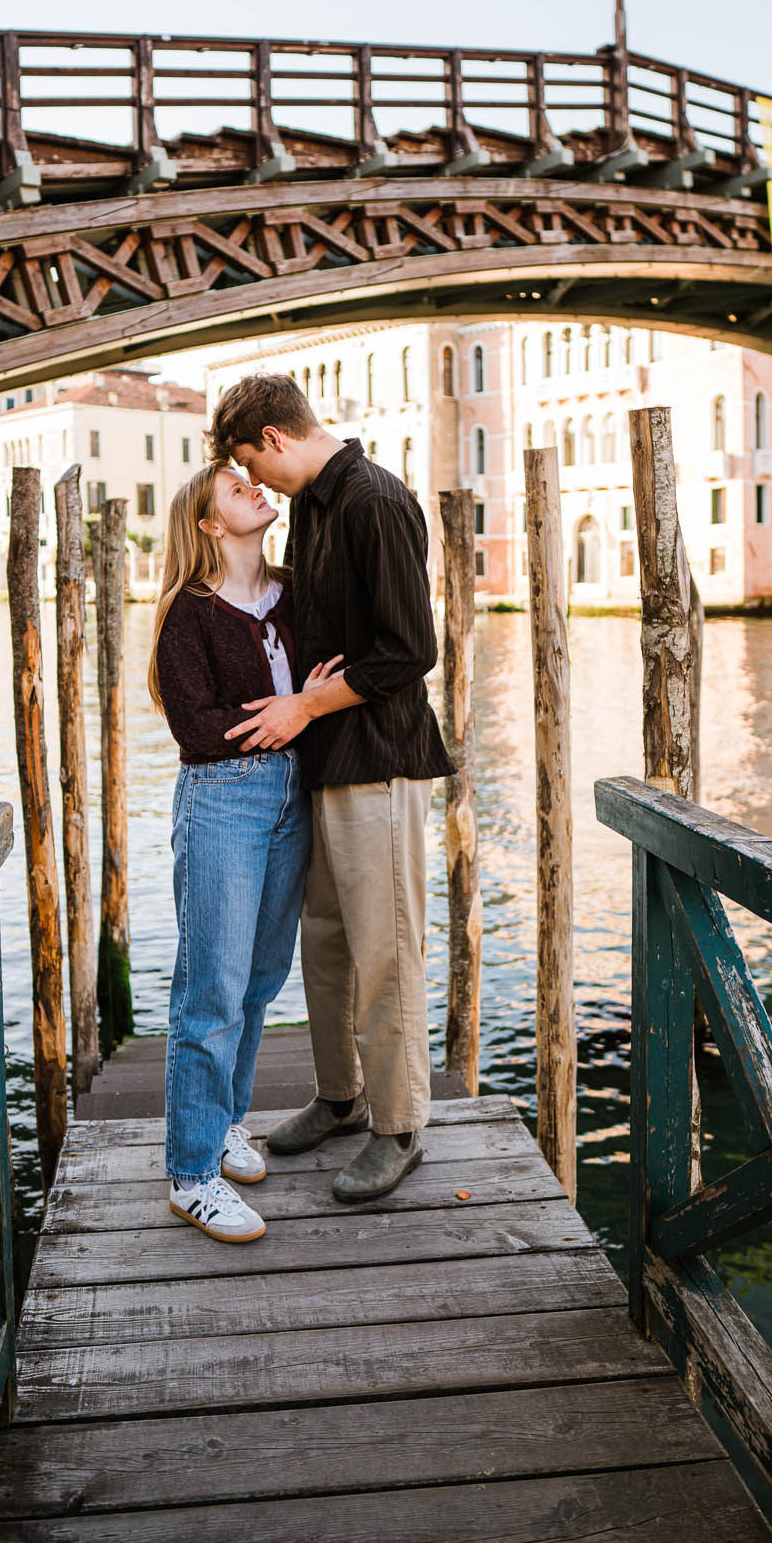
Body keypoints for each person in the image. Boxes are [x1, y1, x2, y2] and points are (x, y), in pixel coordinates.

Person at [210, 373, 453, 1203]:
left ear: (275, 439)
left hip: (380, 756)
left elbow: (410, 650)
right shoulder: (314, 504)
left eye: (251, 462)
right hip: (326, 757)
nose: (255, 480)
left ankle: (401, 1125)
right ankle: (342, 1096)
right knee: (326, 945)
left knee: (386, 950)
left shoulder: (374, 501)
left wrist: (306, 703)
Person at [150, 463, 340, 1243]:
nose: (256, 492)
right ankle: (191, 1174)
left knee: (260, 980)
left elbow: (322, 681)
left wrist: (308, 705)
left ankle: (226, 1123)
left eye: (252, 485)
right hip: (223, 799)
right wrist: (288, 715)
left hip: (292, 796)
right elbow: (196, 726)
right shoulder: (186, 613)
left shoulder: (293, 593)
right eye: (236, 490)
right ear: (208, 523)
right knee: (212, 990)